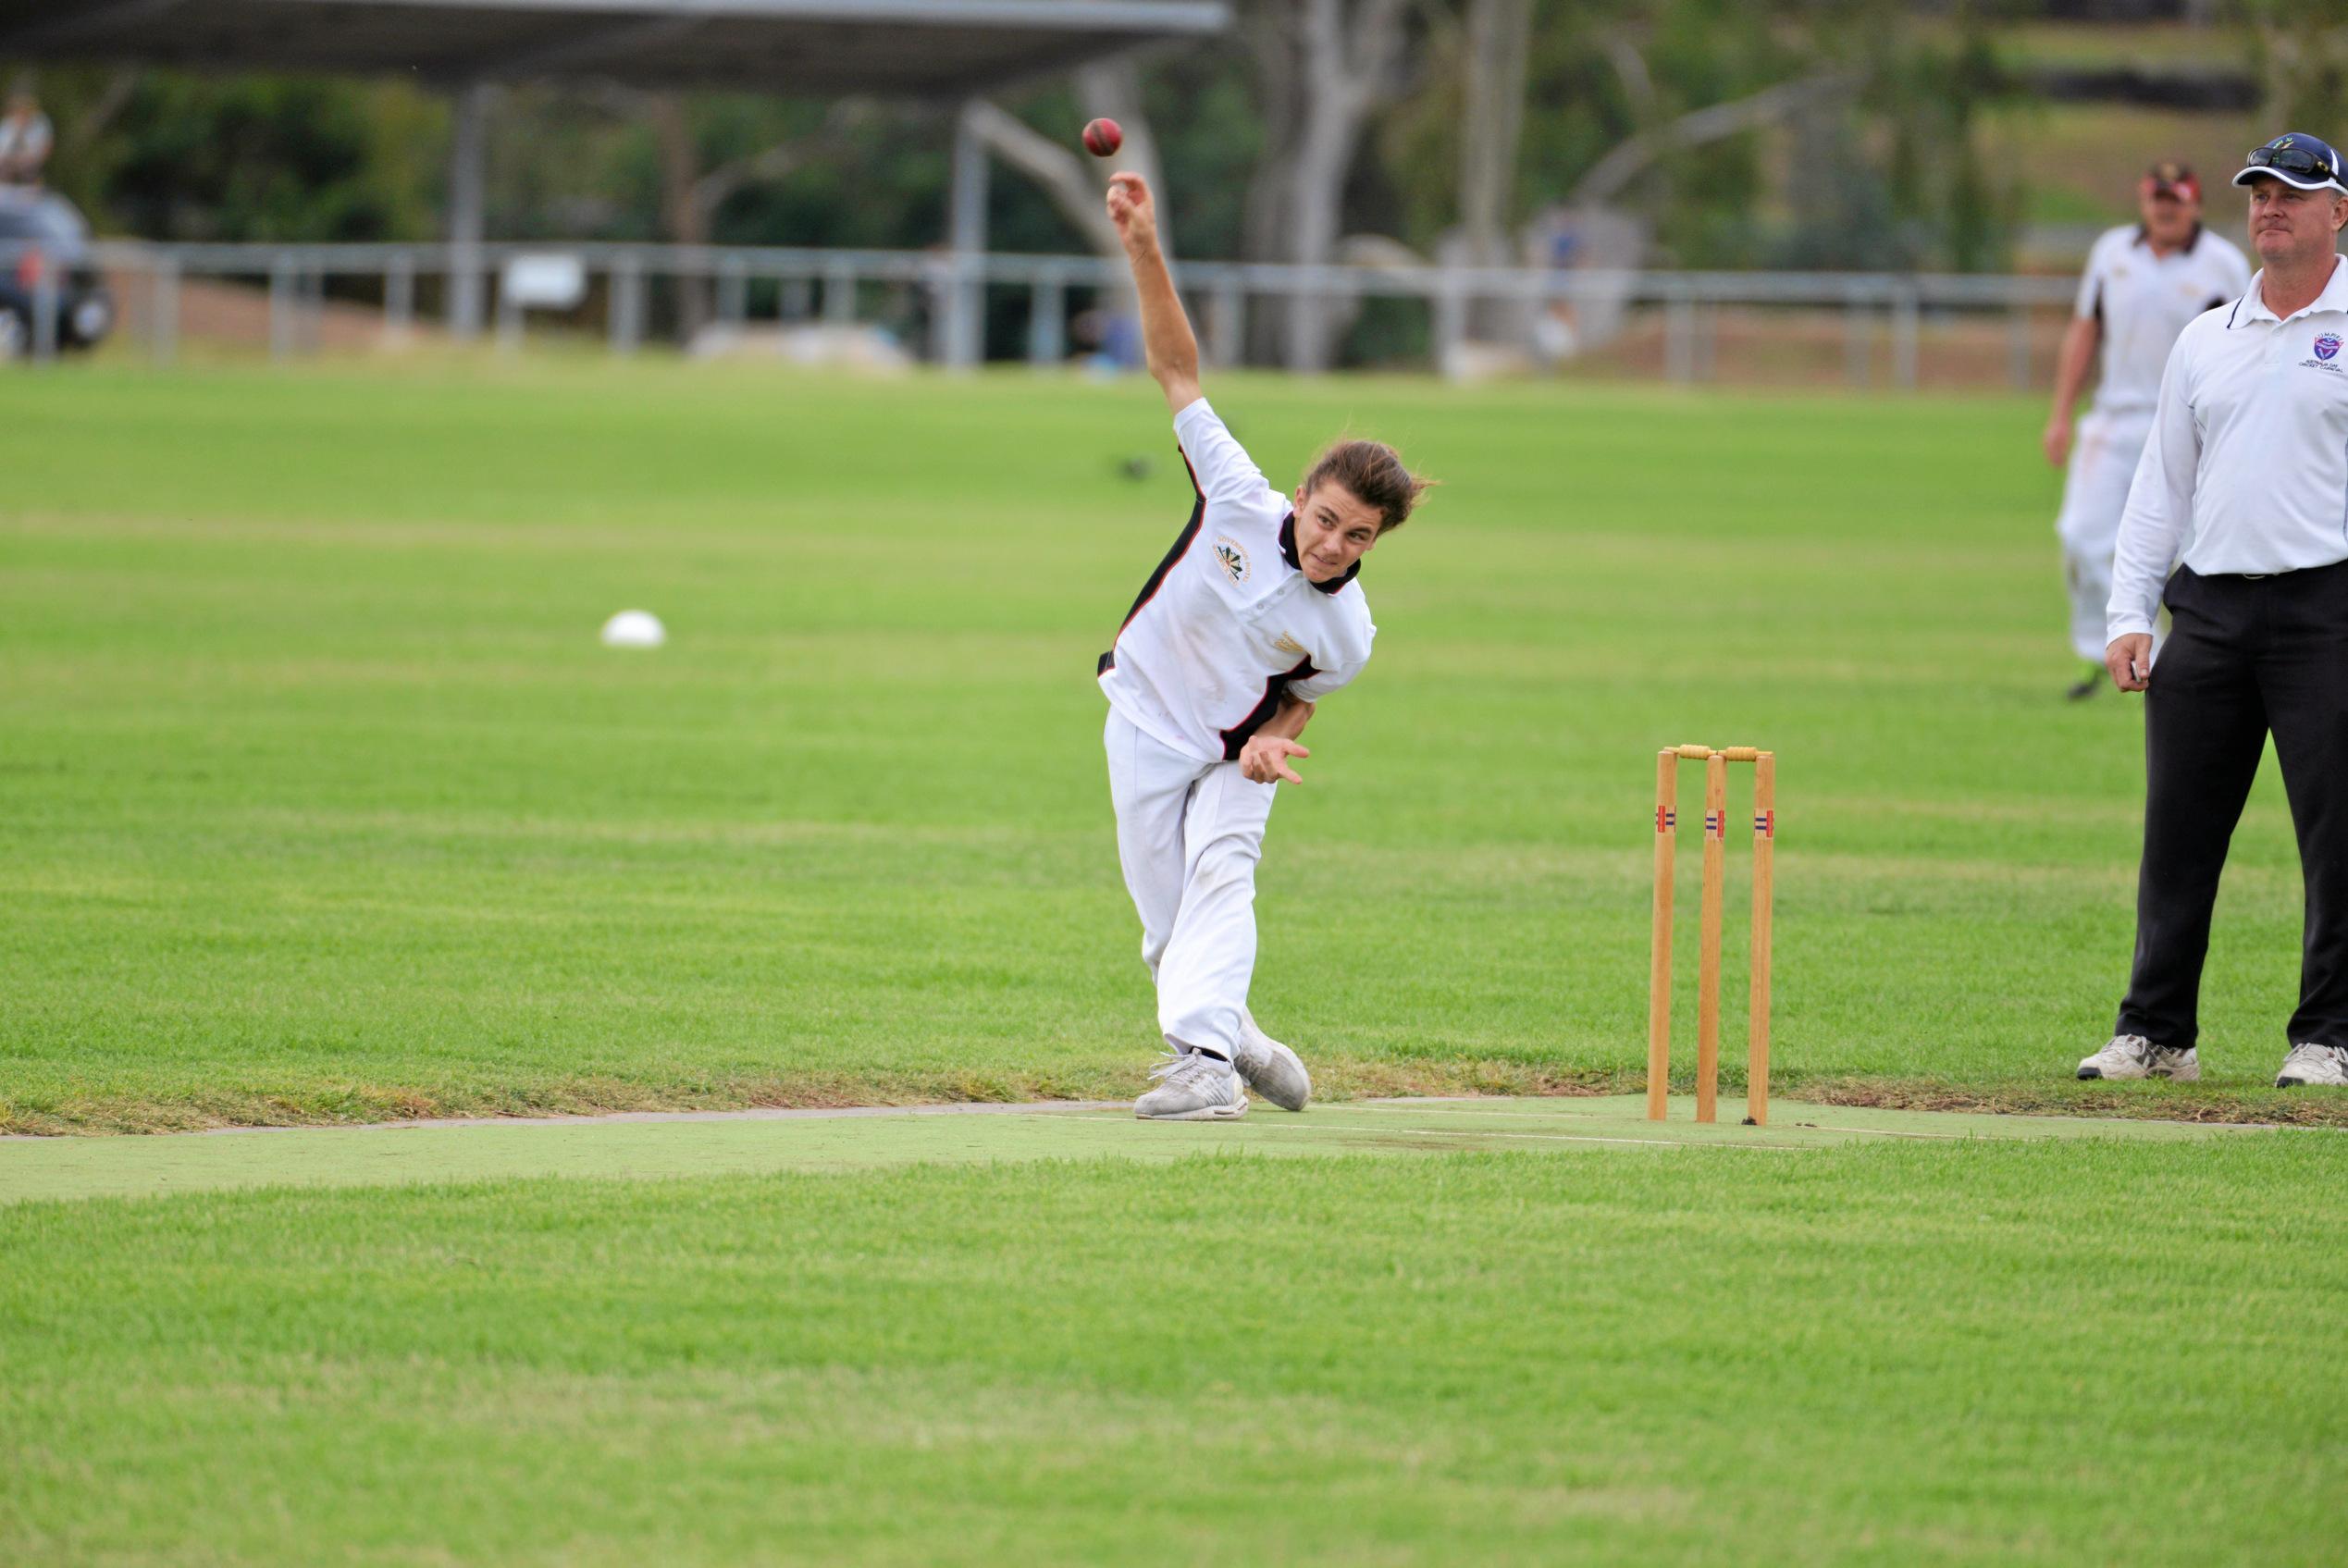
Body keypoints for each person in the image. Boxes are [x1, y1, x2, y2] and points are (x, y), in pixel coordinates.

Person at [1096, 170, 1430, 1120]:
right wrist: (1143, 245)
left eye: (1357, 537)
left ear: (1377, 542)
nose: (1332, 545)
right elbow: (1176, 371)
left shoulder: (1350, 631)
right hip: (1145, 726)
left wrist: (1277, 735)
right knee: (1171, 944)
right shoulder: (1235, 494)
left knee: (1223, 873)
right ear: (1301, 492)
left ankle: (1206, 1075)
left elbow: (1305, 687)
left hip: (1236, 761)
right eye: (1326, 519)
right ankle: (1242, 1042)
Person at [2078, 132, 2348, 1091]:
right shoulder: (2208, 336)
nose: (2271, 205)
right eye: (2260, 192)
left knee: (2335, 834)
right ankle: (2156, 1033)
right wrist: (2127, 613)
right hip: (2215, 611)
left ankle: (2329, 1036)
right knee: (2178, 833)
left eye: (2294, 191)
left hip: (2328, 610)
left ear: (2337, 212)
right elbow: (2161, 487)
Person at [2043, 163, 2249, 700]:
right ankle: (2101, 651)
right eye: (2157, 198)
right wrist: (2061, 414)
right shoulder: (2111, 254)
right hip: (2114, 420)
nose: (2165, 209)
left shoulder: (2223, 265)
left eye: (2175, 200)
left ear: (2195, 206)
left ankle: (2172, 661)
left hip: (2188, 425)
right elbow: (2086, 329)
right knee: (2081, 537)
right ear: (2144, 202)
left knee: (2185, 550)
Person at [0, 79, 52, 188]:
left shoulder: (41, 123)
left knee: (30, 171)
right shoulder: (7, 124)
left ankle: (32, 191)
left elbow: (46, 147)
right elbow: (3, 148)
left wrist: (32, 159)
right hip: (8, 161)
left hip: (31, 161)